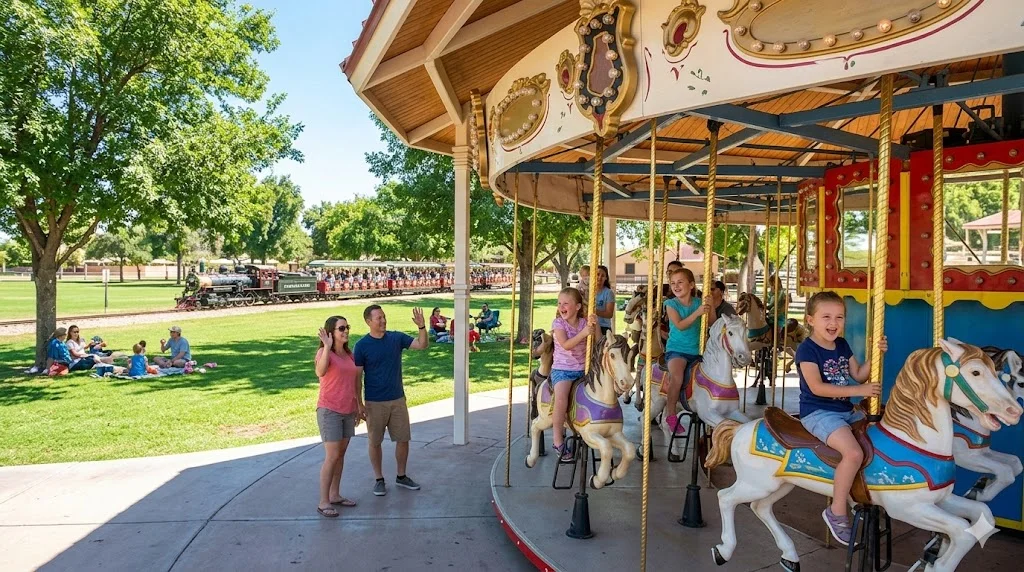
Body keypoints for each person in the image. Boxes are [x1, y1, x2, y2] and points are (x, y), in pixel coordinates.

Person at [796, 291, 886, 546]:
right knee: (854, 454)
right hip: (818, 412)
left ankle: (865, 496)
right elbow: (817, 388)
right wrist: (859, 391)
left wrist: (875, 357)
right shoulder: (807, 350)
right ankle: (836, 511)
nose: (833, 323)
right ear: (810, 320)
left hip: (846, 410)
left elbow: (858, 375)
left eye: (839, 317)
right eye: (826, 317)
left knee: (882, 437)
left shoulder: (842, 345)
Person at [354, 304, 429, 496]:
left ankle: (401, 476)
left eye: (384, 317)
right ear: (368, 322)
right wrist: (359, 403)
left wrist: (422, 327)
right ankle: (379, 479)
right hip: (374, 402)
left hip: (397, 400)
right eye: (379, 318)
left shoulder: (396, 338)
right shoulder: (362, 346)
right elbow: (357, 378)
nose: (383, 321)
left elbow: (422, 345)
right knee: (375, 442)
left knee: (403, 439)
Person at [314, 315, 362, 518]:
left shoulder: (349, 355)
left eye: (347, 327)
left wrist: (358, 406)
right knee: (332, 456)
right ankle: (323, 501)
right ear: (331, 333)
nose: (346, 331)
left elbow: (354, 382)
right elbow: (320, 372)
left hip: (348, 410)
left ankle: (335, 495)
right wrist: (326, 347)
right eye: (341, 328)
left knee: (340, 456)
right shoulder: (324, 353)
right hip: (329, 410)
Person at [549, 288, 598, 461]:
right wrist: (584, 333)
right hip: (563, 370)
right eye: (559, 303)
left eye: (565, 303)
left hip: (583, 369)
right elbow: (566, 344)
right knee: (562, 397)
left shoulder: (585, 323)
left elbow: (597, 341)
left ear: (577, 306)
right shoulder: (558, 324)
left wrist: (594, 324)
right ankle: (557, 440)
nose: (561, 306)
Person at [663, 267, 709, 435]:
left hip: (698, 350)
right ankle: (671, 415)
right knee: (677, 376)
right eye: (673, 283)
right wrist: (697, 313)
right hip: (677, 350)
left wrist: (709, 306)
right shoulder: (671, 304)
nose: (676, 286)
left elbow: (711, 322)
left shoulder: (699, 302)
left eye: (680, 282)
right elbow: (681, 326)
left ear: (691, 285)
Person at [592, 265, 616, 337]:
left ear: (606, 278)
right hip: (589, 325)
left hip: (603, 326)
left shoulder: (608, 293)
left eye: (602, 276)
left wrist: (593, 311)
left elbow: (609, 314)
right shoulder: (588, 291)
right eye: (598, 274)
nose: (599, 277)